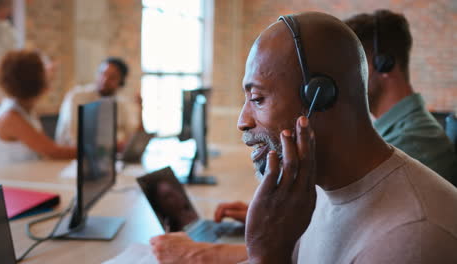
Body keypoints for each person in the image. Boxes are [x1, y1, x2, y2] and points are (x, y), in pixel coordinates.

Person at [153, 11, 457, 264]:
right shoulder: (320, 185)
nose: (242, 121)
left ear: (320, 98)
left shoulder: (410, 238)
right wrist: (272, 232)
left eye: (257, 98)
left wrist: (265, 255)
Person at [344, 10, 457, 185]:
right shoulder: (399, 135)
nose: (344, 76)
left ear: (384, 64)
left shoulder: (408, 146)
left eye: (353, 63)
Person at [0, 50, 76, 168]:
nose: (50, 77)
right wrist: (90, 151)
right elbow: (53, 152)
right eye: (44, 73)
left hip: (28, 178)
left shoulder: (26, 110)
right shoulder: (10, 117)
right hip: (12, 183)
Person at [55, 57, 141, 148]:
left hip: (105, 156)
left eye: (112, 77)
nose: (105, 80)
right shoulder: (77, 97)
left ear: (121, 82)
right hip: (70, 156)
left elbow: (131, 134)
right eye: (103, 74)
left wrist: (140, 108)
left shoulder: (121, 104)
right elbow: (73, 137)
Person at [0, 0, 18, 103]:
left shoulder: (5, 28)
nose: (9, 11)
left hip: (3, 82)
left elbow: (15, 49)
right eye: (5, 6)